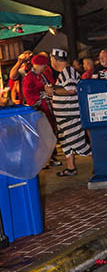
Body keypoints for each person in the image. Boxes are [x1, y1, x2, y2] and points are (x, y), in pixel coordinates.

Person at [45, 48, 91, 176]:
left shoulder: (68, 72)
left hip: (70, 116)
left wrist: (52, 91)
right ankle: (71, 168)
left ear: (54, 59)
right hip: (64, 118)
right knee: (66, 143)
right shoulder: (65, 72)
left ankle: (102, 163)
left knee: (79, 145)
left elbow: (71, 90)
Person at [22, 53, 61, 167]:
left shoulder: (43, 74)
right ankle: (43, 161)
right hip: (39, 111)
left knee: (49, 135)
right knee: (43, 136)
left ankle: (48, 159)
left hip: (47, 109)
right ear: (38, 65)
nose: (45, 67)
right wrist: (43, 95)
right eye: (43, 65)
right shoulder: (29, 78)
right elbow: (28, 95)